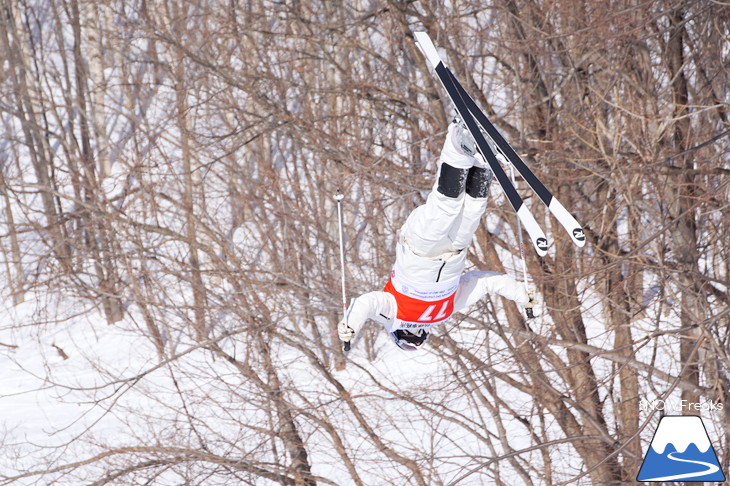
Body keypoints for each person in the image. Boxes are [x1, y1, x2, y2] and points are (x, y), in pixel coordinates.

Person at [338, 122, 534, 351]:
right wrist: (521, 294)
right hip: (453, 253)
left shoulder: (391, 314)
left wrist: (350, 324)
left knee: (446, 207)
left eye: (406, 340)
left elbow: (366, 304)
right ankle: (483, 160)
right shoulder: (444, 313)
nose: (413, 337)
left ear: (394, 335)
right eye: (416, 342)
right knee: (472, 211)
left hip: (420, 250)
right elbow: (484, 283)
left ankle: (457, 145)